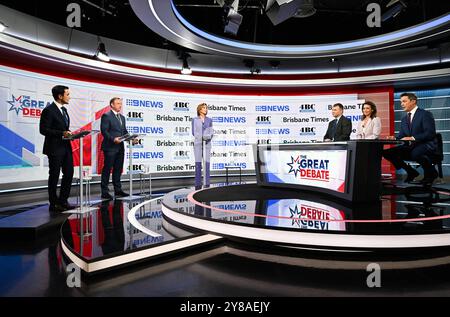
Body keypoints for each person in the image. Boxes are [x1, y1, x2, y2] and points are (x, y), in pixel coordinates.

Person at [383, 92, 438, 185]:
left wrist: (413, 138)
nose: (401, 104)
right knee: (387, 153)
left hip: (426, 145)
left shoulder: (425, 114)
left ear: (413, 101)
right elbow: (402, 136)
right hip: (412, 146)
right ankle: (411, 171)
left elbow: (430, 133)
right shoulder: (404, 119)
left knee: (415, 153)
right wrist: (394, 138)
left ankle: (431, 173)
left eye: (404, 101)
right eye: (401, 102)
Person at [39, 85, 75, 212]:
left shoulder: (64, 110)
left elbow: (64, 128)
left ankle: (63, 200)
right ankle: (53, 203)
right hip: (54, 148)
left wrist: (69, 134)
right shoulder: (49, 110)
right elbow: (43, 130)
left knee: (69, 173)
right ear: (60, 96)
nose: (69, 97)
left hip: (66, 147)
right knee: (54, 175)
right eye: (68, 94)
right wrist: (62, 133)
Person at [100, 97, 130, 199]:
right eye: (118, 103)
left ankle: (118, 190)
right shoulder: (106, 116)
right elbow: (104, 131)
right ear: (112, 104)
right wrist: (113, 139)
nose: (120, 105)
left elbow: (124, 132)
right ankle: (104, 192)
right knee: (107, 169)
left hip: (120, 147)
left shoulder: (122, 117)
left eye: (121, 104)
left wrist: (131, 139)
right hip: (110, 147)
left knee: (118, 169)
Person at [192, 103, 213, 189]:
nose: (206, 109)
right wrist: (202, 137)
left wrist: (207, 137)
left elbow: (211, 131)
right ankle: (197, 184)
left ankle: (207, 184)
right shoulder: (194, 119)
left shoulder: (209, 120)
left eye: (206, 108)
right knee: (198, 164)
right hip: (198, 144)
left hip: (207, 144)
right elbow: (194, 132)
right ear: (200, 109)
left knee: (207, 164)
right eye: (204, 108)